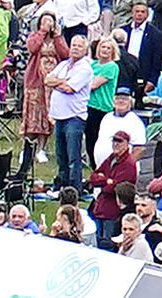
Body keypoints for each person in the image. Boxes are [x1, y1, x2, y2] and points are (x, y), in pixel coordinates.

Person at [46, 35, 94, 189]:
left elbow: (69, 89)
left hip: (74, 117)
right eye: (73, 45)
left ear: (85, 50)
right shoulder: (63, 64)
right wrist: (64, 80)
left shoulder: (85, 69)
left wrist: (58, 82)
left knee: (73, 156)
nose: (75, 48)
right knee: (61, 155)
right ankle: (62, 185)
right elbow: (47, 80)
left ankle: (75, 187)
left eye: (79, 46)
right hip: (59, 116)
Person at [24, 13, 69, 164]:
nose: (48, 24)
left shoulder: (58, 38)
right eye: (45, 21)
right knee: (33, 115)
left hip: (52, 82)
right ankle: (28, 148)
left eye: (50, 21)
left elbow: (65, 54)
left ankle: (41, 149)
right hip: (35, 81)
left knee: (47, 115)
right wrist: (42, 32)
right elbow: (32, 48)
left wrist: (57, 36)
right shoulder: (34, 36)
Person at [89, 131, 138, 249]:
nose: (116, 144)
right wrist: (107, 180)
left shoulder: (129, 163)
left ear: (127, 144)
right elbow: (93, 177)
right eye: (114, 140)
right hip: (100, 208)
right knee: (96, 243)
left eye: (120, 141)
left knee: (108, 244)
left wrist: (103, 181)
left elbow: (116, 188)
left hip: (113, 212)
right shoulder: (111, 158)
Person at [84, 37, 122, 167]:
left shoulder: (111, 67)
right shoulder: (92, 65)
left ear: (113, 51)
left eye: (108, 48)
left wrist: (78, 83)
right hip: (89, 105)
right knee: (90, 139)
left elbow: (93, 85)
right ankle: (94, 167)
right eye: (103, 47)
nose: (105, 50)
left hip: (102, 108)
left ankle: (101, 167)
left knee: (100, 141)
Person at [117, 0, 162, 97]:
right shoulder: (123, 31)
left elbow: (157, 60)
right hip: (124, 73)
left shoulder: (155, 34)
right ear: (132, 13)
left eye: (142, 12)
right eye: (137, 11)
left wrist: (152, 81)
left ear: (147, 14)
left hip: (142, 74)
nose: (139, 14)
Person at [94, 87, 146, 162]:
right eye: (118, 98)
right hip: (103, 167)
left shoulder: (135, 121)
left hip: (122, 170)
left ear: (131, 103)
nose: (121, 101)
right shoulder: (107, 117)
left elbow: (139, 149)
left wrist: (126, 165)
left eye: (125, 99)